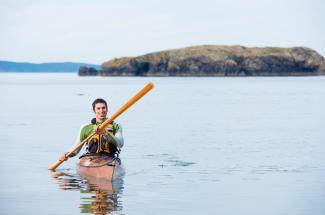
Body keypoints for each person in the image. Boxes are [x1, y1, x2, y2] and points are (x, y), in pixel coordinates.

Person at [59, 98, 124, 162]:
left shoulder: (116, 126)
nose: (101, 111)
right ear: (94, 110)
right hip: (91, 158)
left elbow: (120, 144)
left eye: (103, 108)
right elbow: (76, 151)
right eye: (98, 108)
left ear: (107, 109)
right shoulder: (85, 127)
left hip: (110, 158)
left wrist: (106, 134)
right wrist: (66, 154)